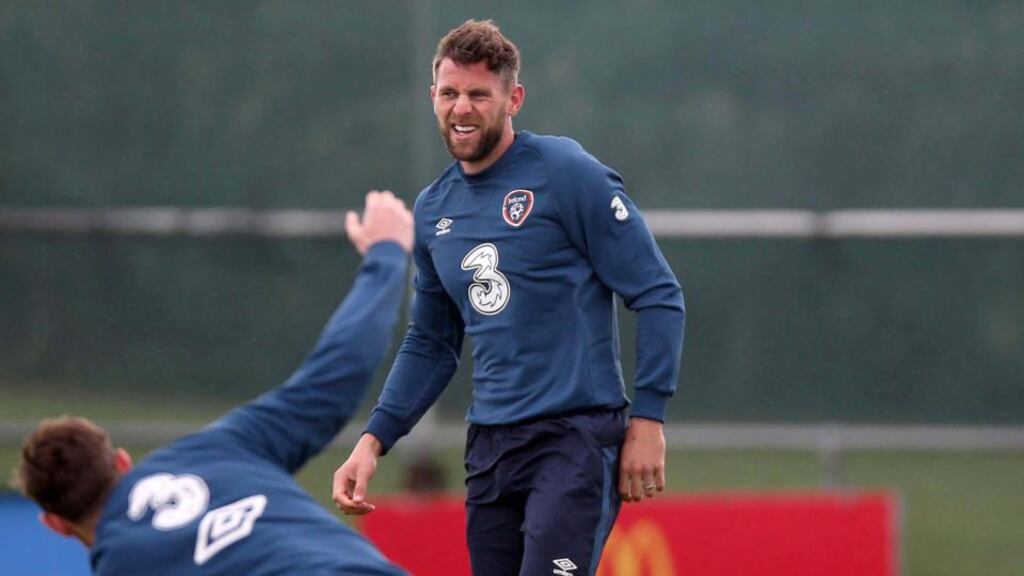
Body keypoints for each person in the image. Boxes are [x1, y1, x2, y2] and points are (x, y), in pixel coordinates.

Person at [333, 19, 686, 576]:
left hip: (575, 439)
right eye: (449, 93)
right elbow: (430, 341)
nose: (462, 108)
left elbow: (659, 294)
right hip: (491, 447)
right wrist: (374, 440)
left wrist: (649, 418)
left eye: (479, 94)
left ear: (513, 99)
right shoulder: (433, 209)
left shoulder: (566, 173)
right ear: (433, 98)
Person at [15, 192, 414, 575]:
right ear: (122, 462)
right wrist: (386, 253)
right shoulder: (224, 445)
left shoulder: (122, 563)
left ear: (56, 524)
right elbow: (335, 376)